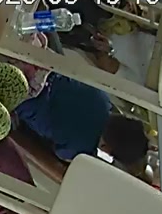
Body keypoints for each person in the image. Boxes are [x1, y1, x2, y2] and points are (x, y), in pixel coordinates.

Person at [11, 74, 150, 180]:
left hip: (39, 72)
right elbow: (59, 154)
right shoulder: (79, 148)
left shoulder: (102, 98)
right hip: (23, 99)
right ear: (107, 149)